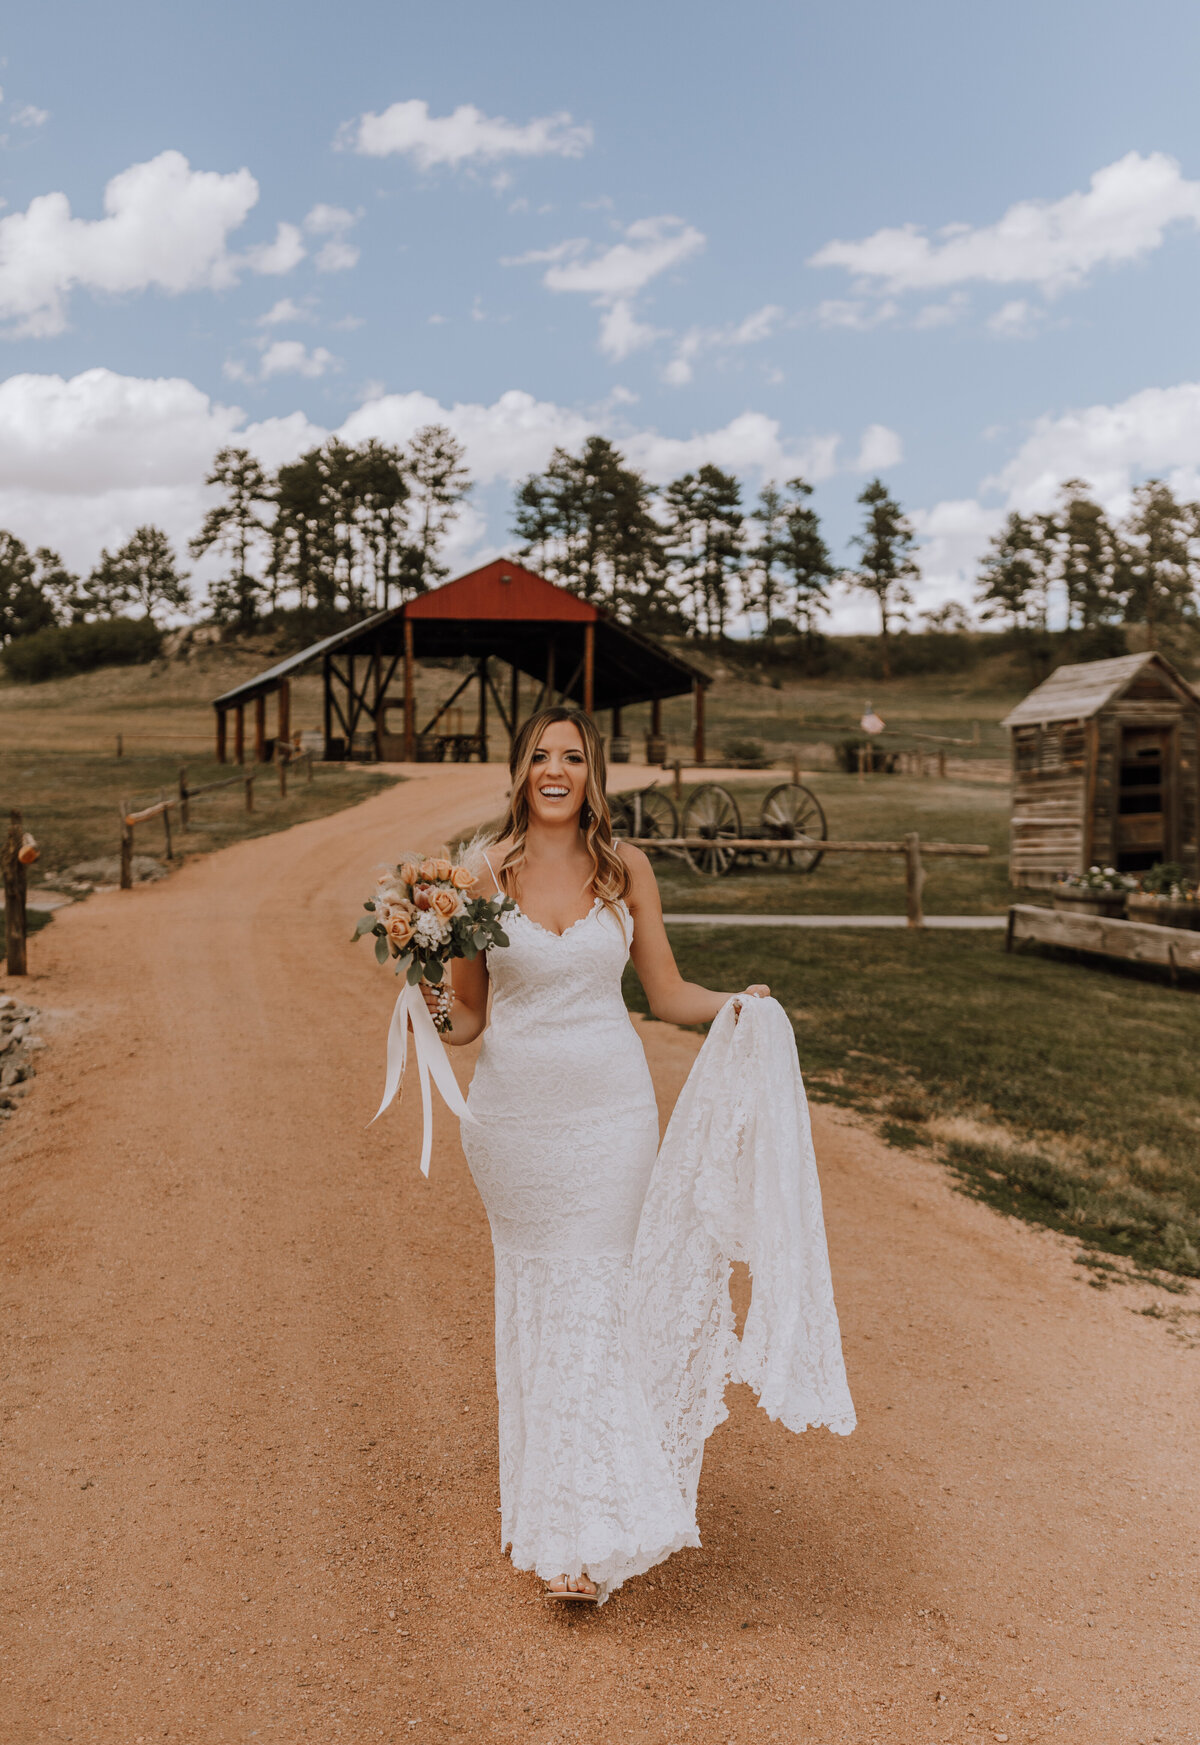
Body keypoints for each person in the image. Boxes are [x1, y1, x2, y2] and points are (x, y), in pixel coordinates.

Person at [423, 705, 772, 1602]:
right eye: (540, 754)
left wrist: (736, 1003)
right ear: (519, 769)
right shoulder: (479, 871)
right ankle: (560, 1508)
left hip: (613, 1119)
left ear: (593, 773)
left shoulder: (627, 870)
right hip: (514, 1128)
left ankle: (580, 1536)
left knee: (595, 1298)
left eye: (572, 756)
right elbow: (467, 1019)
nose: (555, 769)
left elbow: (664, 993)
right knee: (549, 1299)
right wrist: (421, 992)